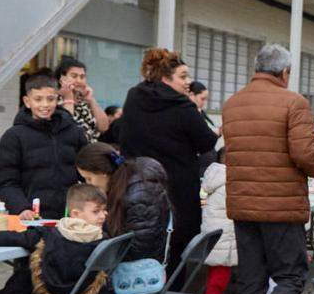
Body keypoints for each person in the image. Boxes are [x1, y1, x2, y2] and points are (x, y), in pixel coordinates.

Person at [222, 43, 314, 294]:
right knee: (291, 275)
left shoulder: (232, 103)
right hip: (281, 206)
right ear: (285, 72)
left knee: (252, 276)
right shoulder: (293, 102)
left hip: (244, 204)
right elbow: (305, 154)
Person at [119, 48, 218, 273]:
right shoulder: (183, 107)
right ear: (165, 78)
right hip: (177, 191)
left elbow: (123, 138)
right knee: (176, 250)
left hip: (138, 186)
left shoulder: (134, 97)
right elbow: (206, 142)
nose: (188, 83)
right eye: (183, 76)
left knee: (142, 242)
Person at [0, 183, 113, 294]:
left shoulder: (48, 235)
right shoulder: (106, 240)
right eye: (96, 211)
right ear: (76, 213)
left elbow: (13, 237)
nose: (103, 215)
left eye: (103, 210)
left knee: (22, 277)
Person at [0, 72, 88, 220]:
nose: (45, 105)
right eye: (38, 99)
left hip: (69, 216)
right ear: (27, 101)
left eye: (50, 99)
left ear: (58, 99)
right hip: (31, 217)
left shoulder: (73, 131)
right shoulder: (14, 136)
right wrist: (21, 207)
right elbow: (5, 181)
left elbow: (87, 171)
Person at [75, 142, 171, 263]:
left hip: (138, 268)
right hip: (132, 260)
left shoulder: (137, 195)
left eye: (89, 178)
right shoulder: (124, 184)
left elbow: (141, 247)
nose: (89, 184)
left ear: (102, 173)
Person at [196, 150, 238, 294]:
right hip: (224, 236)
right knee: (219, 276)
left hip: (217, 234)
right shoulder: (229, 181)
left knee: (218, 273)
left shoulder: (216, 177)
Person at [55, 56, 110, 142]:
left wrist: (91, 100)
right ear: (62, 78)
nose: (79, 81)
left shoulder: (83, 100)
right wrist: (68, 97)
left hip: (91, 151)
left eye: (82, 77)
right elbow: (66, 130)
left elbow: (104, 127)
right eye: (74, 76)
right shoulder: (53, 100)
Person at [189, 80, 220, 172]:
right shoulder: (188, 114)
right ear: (191, 95)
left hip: (208, 161)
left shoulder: (201, 113)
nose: (204, 103)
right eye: (202, 99)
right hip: (198, 163)